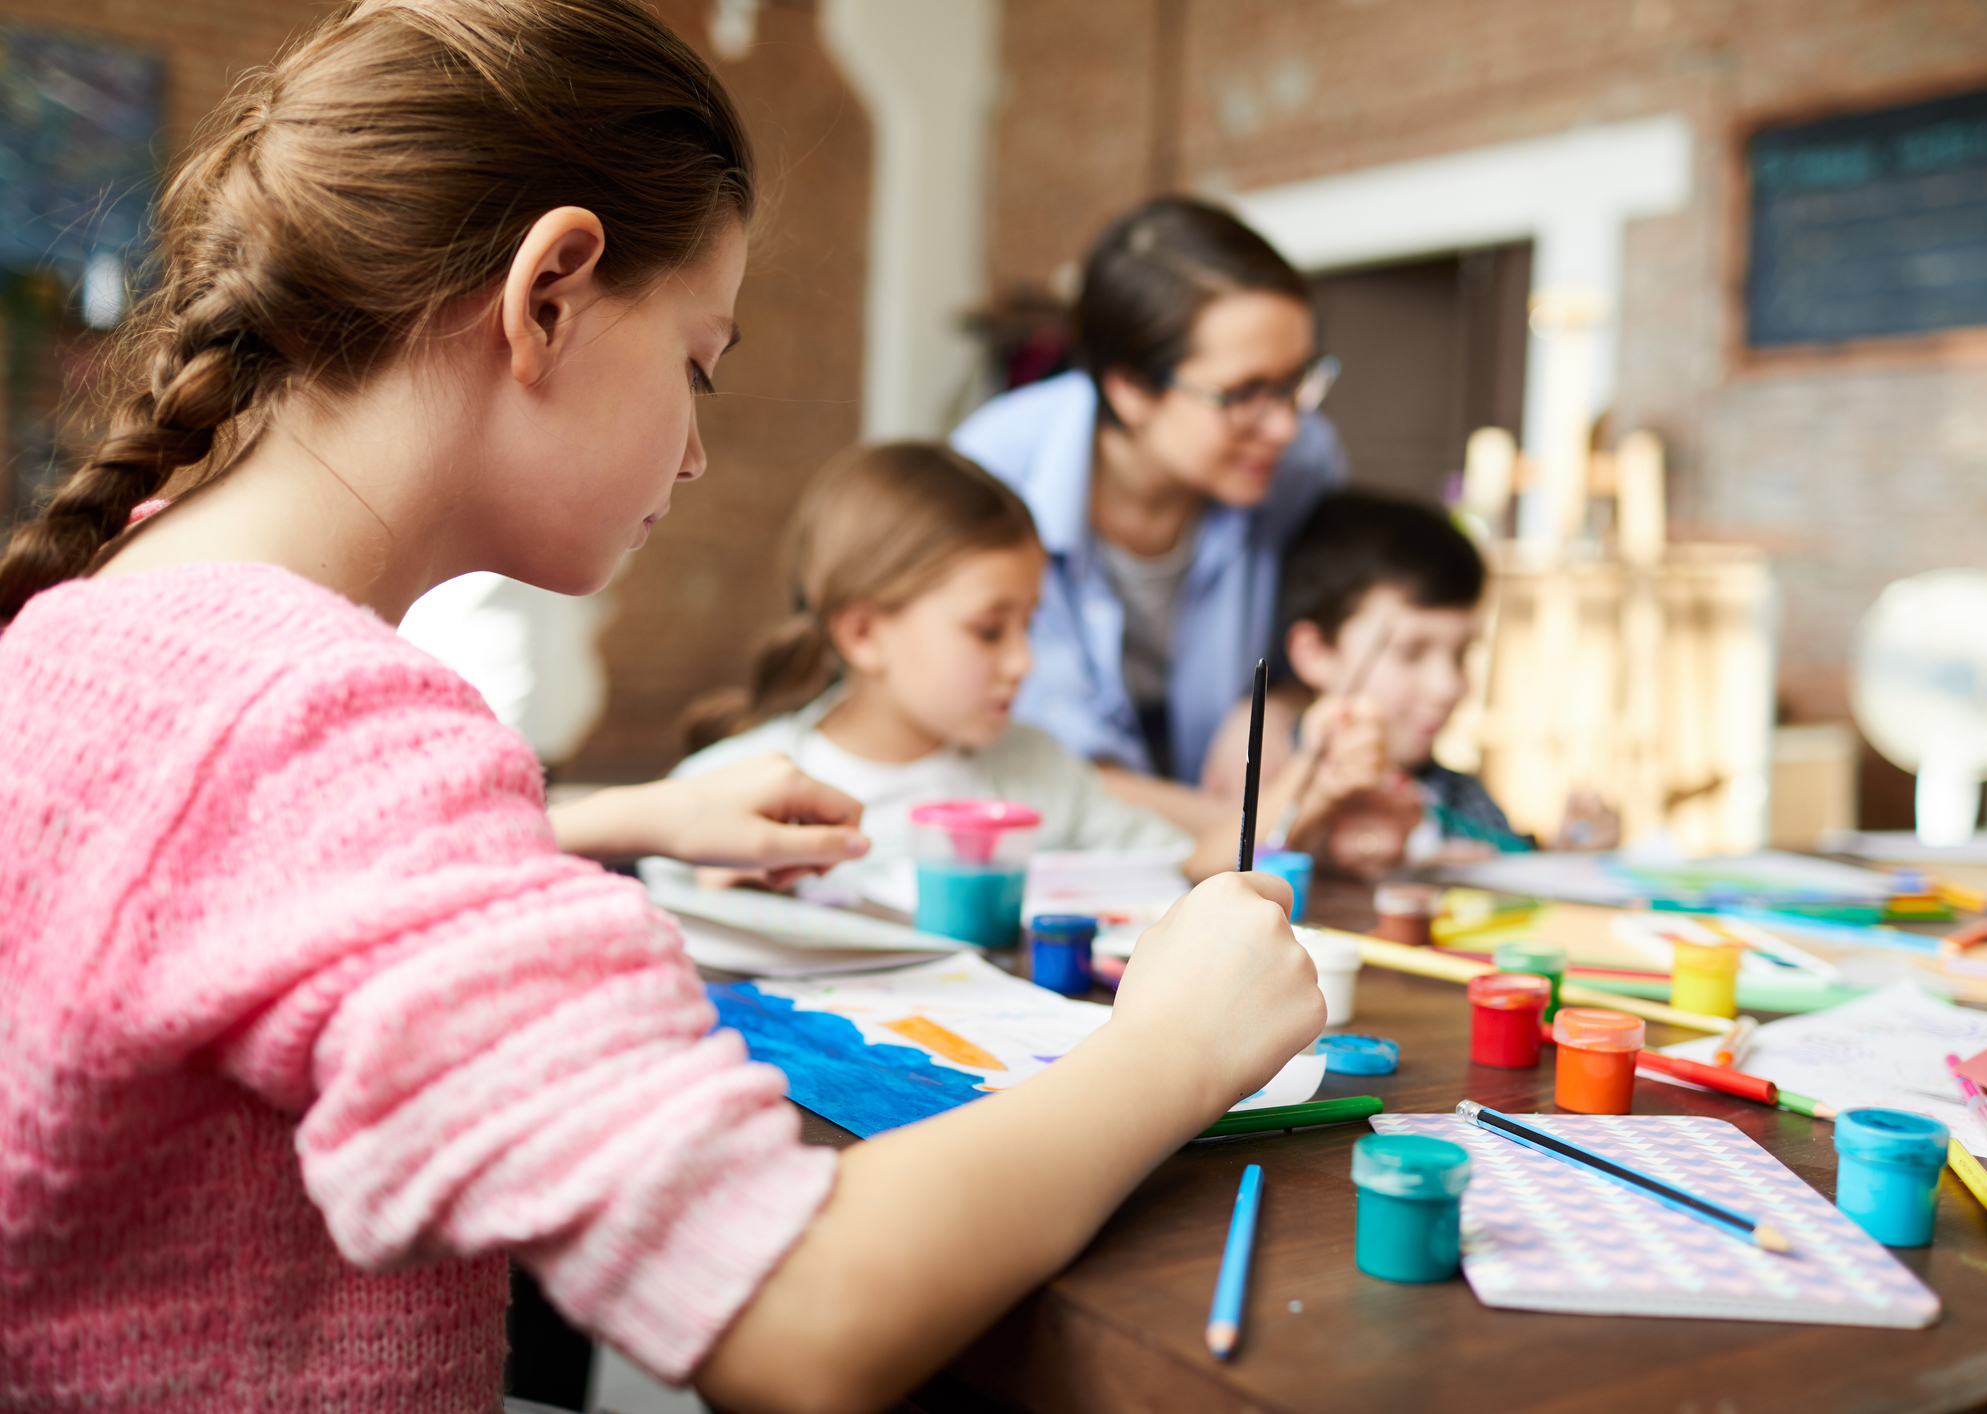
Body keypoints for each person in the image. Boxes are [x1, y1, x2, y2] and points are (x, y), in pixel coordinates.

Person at [0, 4, 1323, 1411]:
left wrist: (605, 816)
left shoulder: (116, 620)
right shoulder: (318, 722)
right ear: (550, 289)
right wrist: (1175, 1044)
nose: (694, 454)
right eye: (698, 362)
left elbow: (216, 887)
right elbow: (794, 1314)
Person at [673, 441, 1368, 886]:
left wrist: (1313, 772)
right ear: (862, 634)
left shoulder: (1039, 771)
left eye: (1028, 625)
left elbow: (1189, 867)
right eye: (986, 631)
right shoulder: (736, 794)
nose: (1022, 662)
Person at [950, 197, 1346, 828]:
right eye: (1242, 394)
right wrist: (1273, 819)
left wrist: (1284, 702)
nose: (1283, 425)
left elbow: (1336, 617)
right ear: (1130, 388)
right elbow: (1052, 767)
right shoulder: (993, 475)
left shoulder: (1303, 463)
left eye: (1295, 383)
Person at [1202, 492, 1574, 868]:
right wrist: (1318, 796)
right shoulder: (1266, 768)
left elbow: (1520, 863)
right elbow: (1207, 866)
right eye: (1409, 652)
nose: (1448, 686)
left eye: (1463, 654)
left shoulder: (1455, 792)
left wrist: (1574, 852)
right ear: (1315, 652)